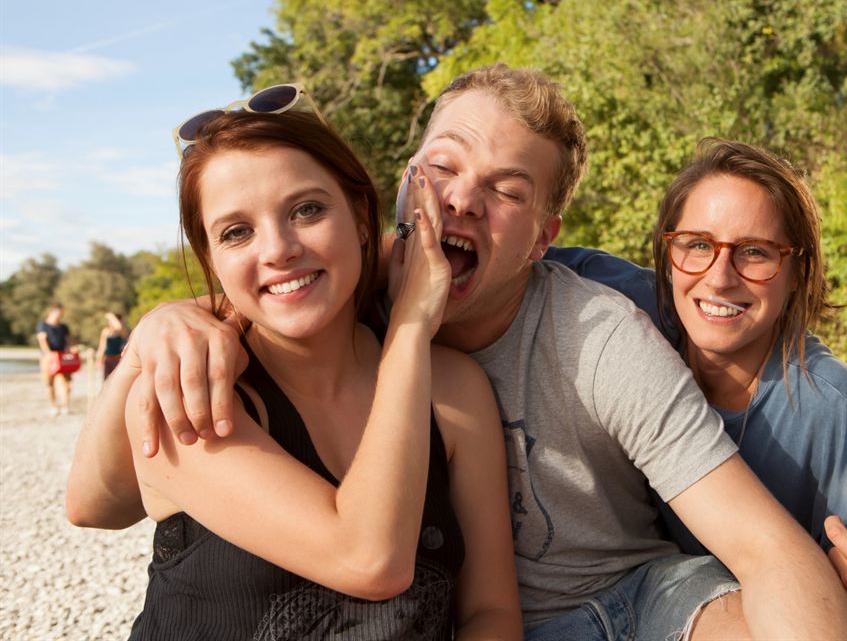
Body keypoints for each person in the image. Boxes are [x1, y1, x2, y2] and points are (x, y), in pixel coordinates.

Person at [67, 67, 847, 639]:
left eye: (508, 190)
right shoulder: (250, 335)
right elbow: (97, 501)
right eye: (442, 167)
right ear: (406, 184)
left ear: (543, 240)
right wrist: (162, 327)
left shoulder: (584, 340)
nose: (460, 199)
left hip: (624, 596)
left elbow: (764, 547)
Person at [69, 86, 520, 639]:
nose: (278, 248)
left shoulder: (454, 391)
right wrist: (410, 325)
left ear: (359, 216)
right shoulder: (184, 397)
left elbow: (490, 612)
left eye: (306, 209)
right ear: (212, 259)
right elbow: (369, 560)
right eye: (237, 232)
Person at [547, 138, 847, 640]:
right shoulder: (635, 309)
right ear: (669, 254)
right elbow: (518, 251)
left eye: (754, 253)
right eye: (697, 244)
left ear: (798, 273)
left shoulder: (830, 405)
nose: (717, 278)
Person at [36, 303, 73, 416]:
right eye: (59, 312)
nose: (60, 315)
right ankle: (53, 406)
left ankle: (65, 406)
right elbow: (42, 340)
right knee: (49, 383)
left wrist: (69, 350)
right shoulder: (43, 325)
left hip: (62, 357)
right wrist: (49, 354)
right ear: (52, 312)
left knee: (66, 382)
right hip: (48, 358)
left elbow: (68, 341)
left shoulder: (64, 327)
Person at [95, 311, 128, 380]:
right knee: (107, 380)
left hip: (118, 360)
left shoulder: (121, 332)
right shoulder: (105, 331)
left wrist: (111, 317)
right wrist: (99, 360)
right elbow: (102, 347)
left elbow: (118, 327)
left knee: (118, 380)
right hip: (108, 359)